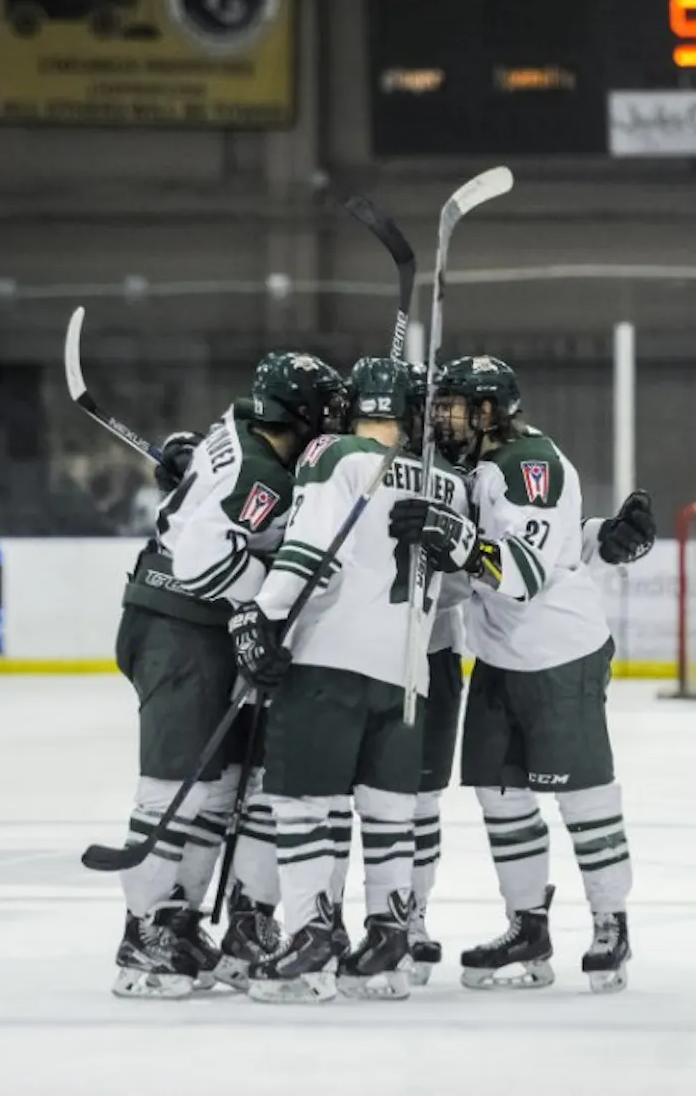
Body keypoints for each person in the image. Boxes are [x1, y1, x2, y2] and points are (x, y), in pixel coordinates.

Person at [395, 364, 657, 988]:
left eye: (454, 407)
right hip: (497, 656)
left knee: (586, 798)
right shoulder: (485, 465)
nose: (442, 418)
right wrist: (598, 536)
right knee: (501, 795)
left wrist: (453, 541)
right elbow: (528, 549)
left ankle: (610, 925)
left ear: (488, 412)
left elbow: (524, 574)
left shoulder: (526, 466)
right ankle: (528, 928)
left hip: (558, 656)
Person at [109, 351, 347, 999]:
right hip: (180, 627)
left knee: (222, 788)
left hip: (186, 624)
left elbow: (209, 499)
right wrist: (267, 601)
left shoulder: (238, 428)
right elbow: (198, 556)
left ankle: (183, 921)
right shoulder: (264, 470)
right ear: (297, 417)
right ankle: (144, 933)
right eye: (323, 414)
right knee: (173, 788)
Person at [230, 356, 468, 1004]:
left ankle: (310, 937)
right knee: (390, 811)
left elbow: (315, 557)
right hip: (407, 670)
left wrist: (261, 614)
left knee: (307, 804)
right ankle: (389, 938)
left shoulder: (332, 454)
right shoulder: (447, 480)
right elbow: (462, 581)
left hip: (331, 658)